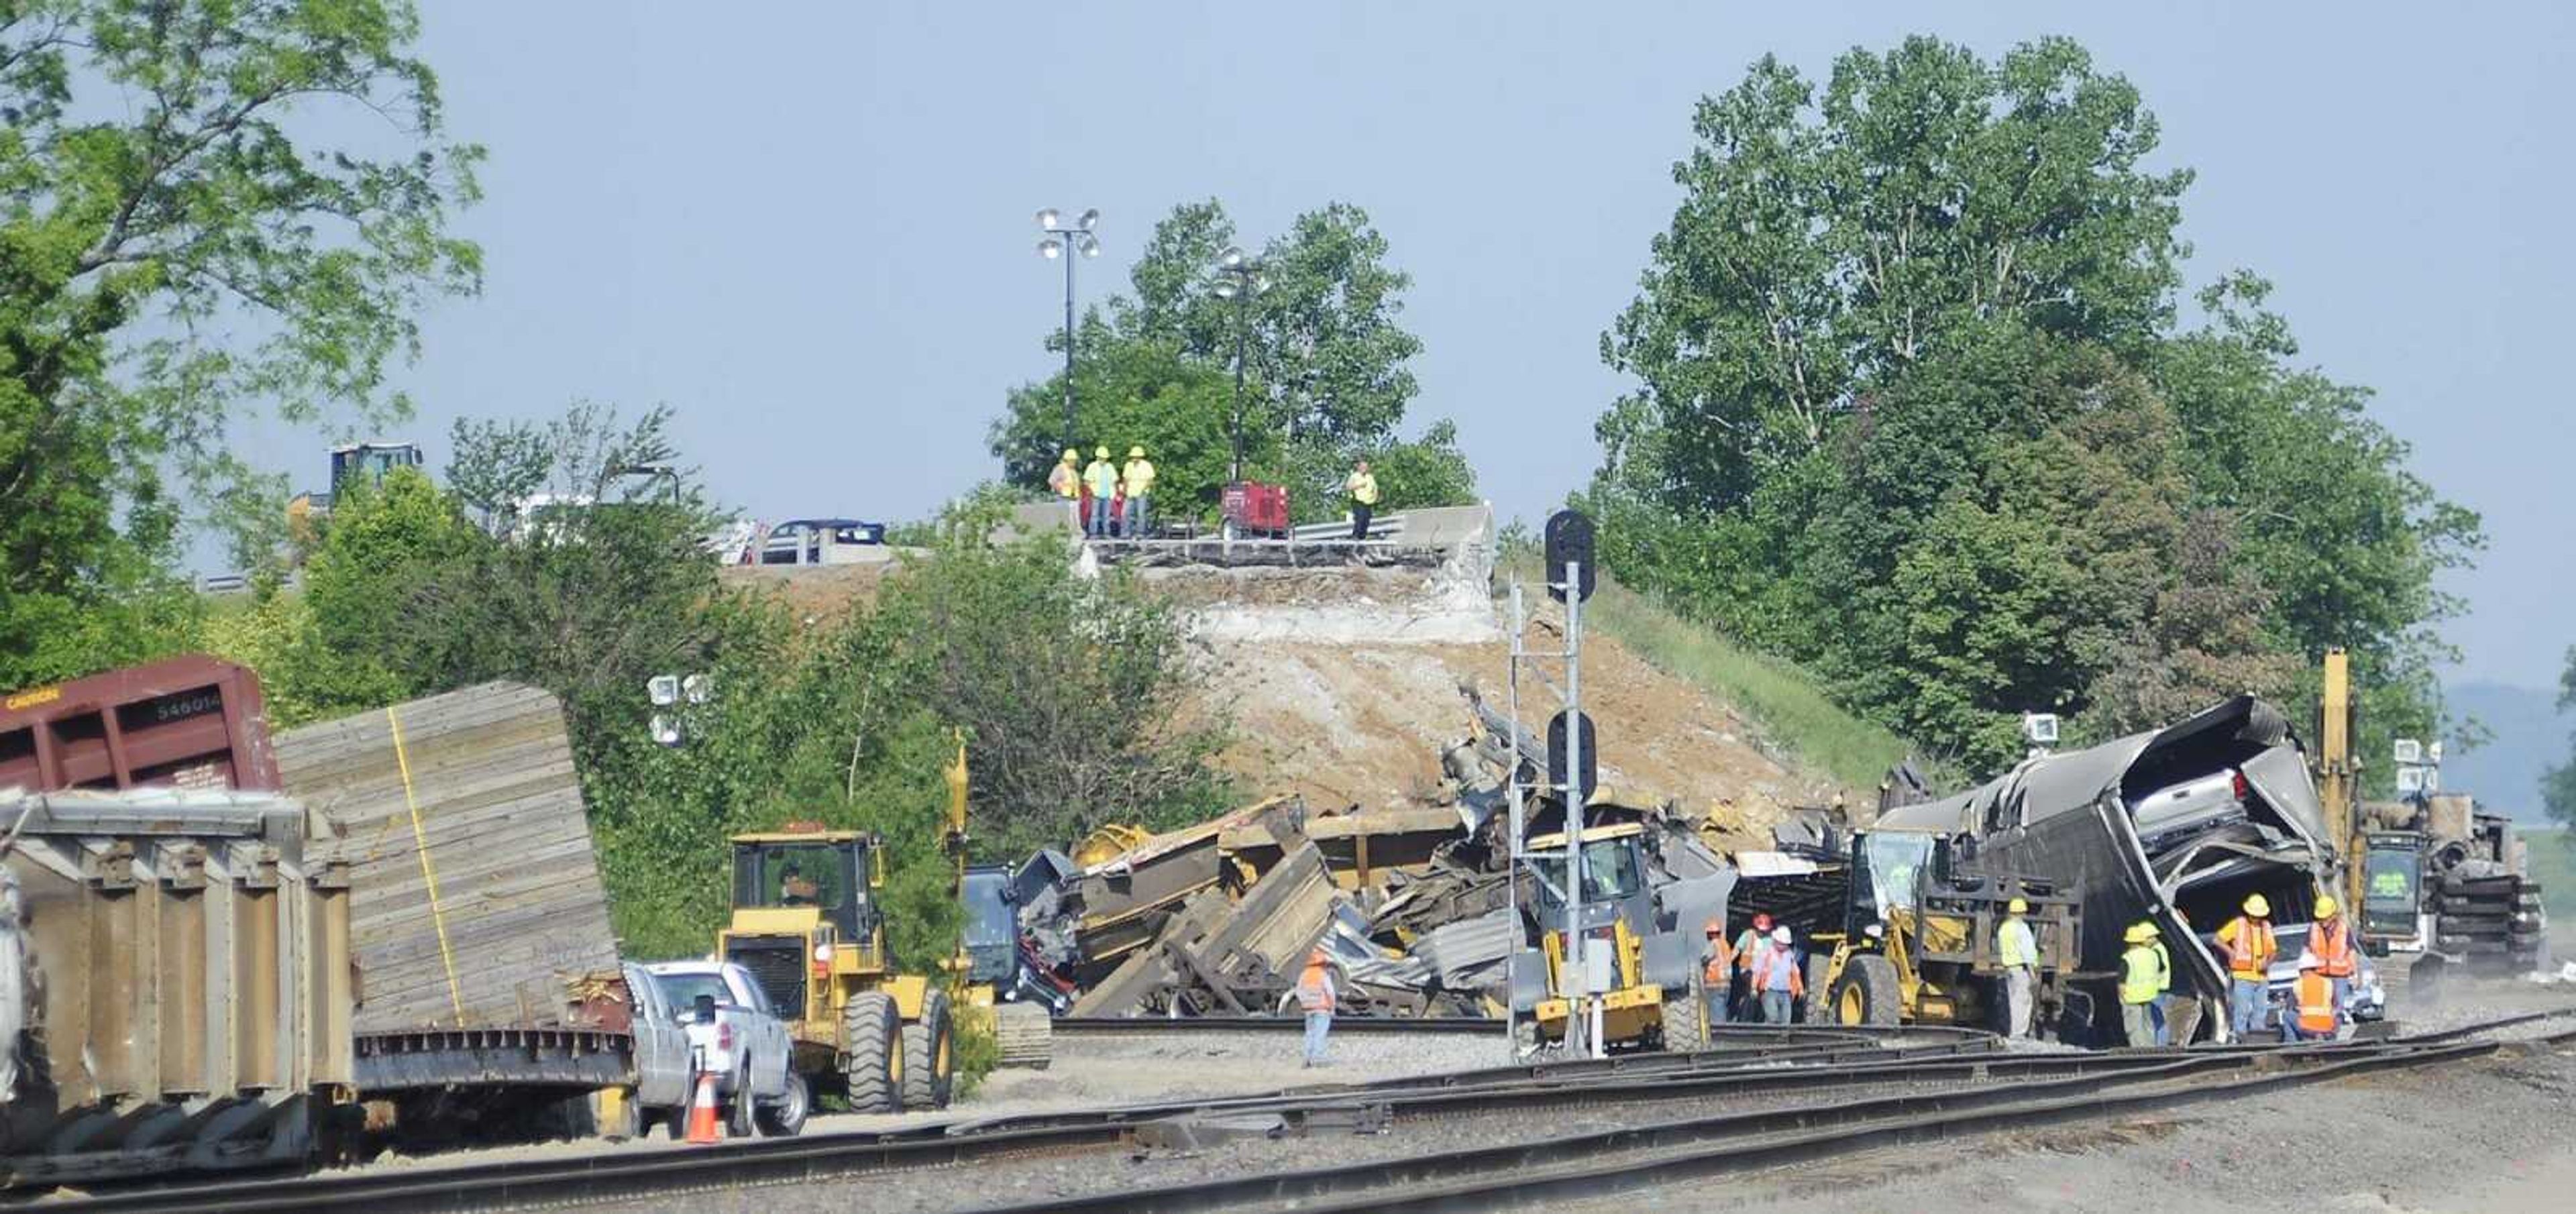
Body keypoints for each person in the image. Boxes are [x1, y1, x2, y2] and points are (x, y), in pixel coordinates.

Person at [2216, 893, 2278, 1040]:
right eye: (2254, 915)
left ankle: (2258, 1040)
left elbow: (2274, 951)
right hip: (2243, 976)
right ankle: (2240, 1040)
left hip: (2262, 977)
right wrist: (2231, 952)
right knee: (2242, 1012)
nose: (2256, 918)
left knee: (2261, 1012)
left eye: (2259, 915)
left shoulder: (2266, 927)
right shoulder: (2238, 924)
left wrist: (2267, 963)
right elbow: (2217, 940)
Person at [1996, 896, 2037, 1039]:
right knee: (2023, 1001)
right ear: (2022, 912)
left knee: (2013, 1001)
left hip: (2009, 968)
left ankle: (2013, 1031)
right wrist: (2032, 972)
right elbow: (2028, 951)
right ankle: (2019, 1033)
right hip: (2021, 969)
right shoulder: (2022, 928)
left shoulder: (2004, 928)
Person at [2119, 922, 2163, 1048]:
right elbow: (2160, 968)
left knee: (2134, 1027)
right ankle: (2150, 1048)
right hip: (2149, 995)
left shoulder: (2127, 958)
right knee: (2148, 1024)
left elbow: (2122, 981)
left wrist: (2122, 997)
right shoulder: (2153, 954)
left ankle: (2137, 1050)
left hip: (2132, 997)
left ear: (2129, 942)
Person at [2310, 893, 2357, 1012]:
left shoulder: (2344, 929)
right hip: (2320, 975)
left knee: (2338, 1007)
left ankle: (2335, 1027)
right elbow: (2306, 952)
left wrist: (2354, 973)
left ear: (2333, 916)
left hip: (2340, 975)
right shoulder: (2314, 929)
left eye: (2325, 918)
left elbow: (2351, 952)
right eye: (2320, 918)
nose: (2322, 921)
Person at [1752, 926, 1804, 1024]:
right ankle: (1768, 1037)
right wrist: (1754, 988)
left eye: (1785, 944)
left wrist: (1800, 989)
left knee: (1786, 1020)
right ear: (1775, 941)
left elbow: (1796, 973)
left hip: (1786, 992)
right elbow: (1757, 971)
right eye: (1781, 943)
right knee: (1772, 1017)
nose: (1783, 946)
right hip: (1769, 991)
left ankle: (1782, 1039)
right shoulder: (1766, 953)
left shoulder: (1790, 955)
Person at [1294, 946, 1337, 1066]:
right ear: (1322, 963)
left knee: (1309, 1033)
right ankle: (1318, 1058)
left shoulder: (1304, 975)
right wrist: (1332, 1008)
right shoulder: (1323, 975)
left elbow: (1298, 991)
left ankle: (1306, 1058)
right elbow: (1330, 992)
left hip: (1308, 1009)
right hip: (1322, 1009)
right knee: (1320, 1033)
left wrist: (1304, 1002)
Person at [2286, 951, 2339, 1042]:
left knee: (2287, 1015)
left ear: (2301, 969)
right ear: (2315, 968)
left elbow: (2290, 1007)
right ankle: (2329, 1036)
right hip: (2327, 1027)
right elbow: (2335, 1005)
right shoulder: (2328, 982)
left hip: (2307, 1028)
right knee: (2338, 1015)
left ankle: (2292, 1044)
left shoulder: (2298, 984)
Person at [1732, 912, 1774, 1024]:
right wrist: (1728, 963)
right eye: (1761, 929)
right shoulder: (1748, 935)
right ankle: (1746, 1020)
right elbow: (1737, 949)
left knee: (1763, 996)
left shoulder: (1771, 939)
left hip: (1763, 973)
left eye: (1765, 930)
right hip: (1748, 970)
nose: (1762, 932)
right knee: (1751, 993)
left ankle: (1759, 1020)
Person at [1700, 918, 1735, 1028]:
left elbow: (1704, 959)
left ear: (1710, 934)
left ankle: (1720, 1037)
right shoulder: (1725, 944)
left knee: (1716, 1016)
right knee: (1722, 1010)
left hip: (1714, 984)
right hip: (1726, 984)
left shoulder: (1713, 944)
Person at [1081, 447, 1120, 540]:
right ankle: (1093, 534)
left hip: (1107, 495)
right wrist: (1092, 491)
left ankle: (1107, 533)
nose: (1103, 460)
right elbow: (1086, 481)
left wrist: (1115, 494)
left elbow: (1115, 480)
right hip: (1096, 495)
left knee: (1106, 516)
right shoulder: (1092, 466)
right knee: (1094, 515)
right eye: (1101, 458)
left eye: (1104, 458)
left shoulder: (1110, 467)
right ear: (1097, 457)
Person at [1120, 445, 1156, 539]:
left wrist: (1143, 490)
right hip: (1130, 492)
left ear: (1140, 456)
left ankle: (1140, 533)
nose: (1134, 458)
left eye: (1136, 456)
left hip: (1141, 492)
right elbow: (1125, 479)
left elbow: (1150, 480)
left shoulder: (1147, 465)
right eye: (1133, 456)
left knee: (1141, 514)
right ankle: (1126, 533)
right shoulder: (1128, 465)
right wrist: (1124, 491)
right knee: (1125, 513)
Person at [1344, 459, 1379, 541]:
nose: (1364, 469)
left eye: (1366, 467)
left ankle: (1362, 537)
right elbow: (1348, 487)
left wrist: (1375, 497)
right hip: (1358, 501)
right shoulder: (1354, 476)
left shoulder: (1370, 477)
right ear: (1359, 468)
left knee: (1367, 519)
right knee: (1360, 518)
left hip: (1368, 502)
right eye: (1363, 467)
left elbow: (1375, 488)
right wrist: (1359, 485)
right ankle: (1356, 536)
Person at [1047, 447, 1080, 522]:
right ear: (1068, 459)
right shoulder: (1060, 468)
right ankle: (1064, 532)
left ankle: (1073, 532)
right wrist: (1059, 488)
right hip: (1063, 497)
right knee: (1064, 518)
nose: (1075, 462)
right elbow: (1051, 481)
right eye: (1073, 460)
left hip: (1074, 498)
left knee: (1074, 519)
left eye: (1075, 460)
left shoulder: (1073, 471)